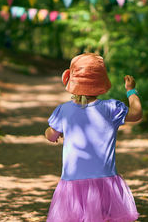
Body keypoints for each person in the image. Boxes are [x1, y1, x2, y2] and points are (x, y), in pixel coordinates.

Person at [45, 53, 141, 222]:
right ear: (101, 81)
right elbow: (136, 113)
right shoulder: (112, 108)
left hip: (72, 182)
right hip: (105, 181)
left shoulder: (64, 111)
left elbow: (51, 136)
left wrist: (54, 133)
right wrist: (131, 91)